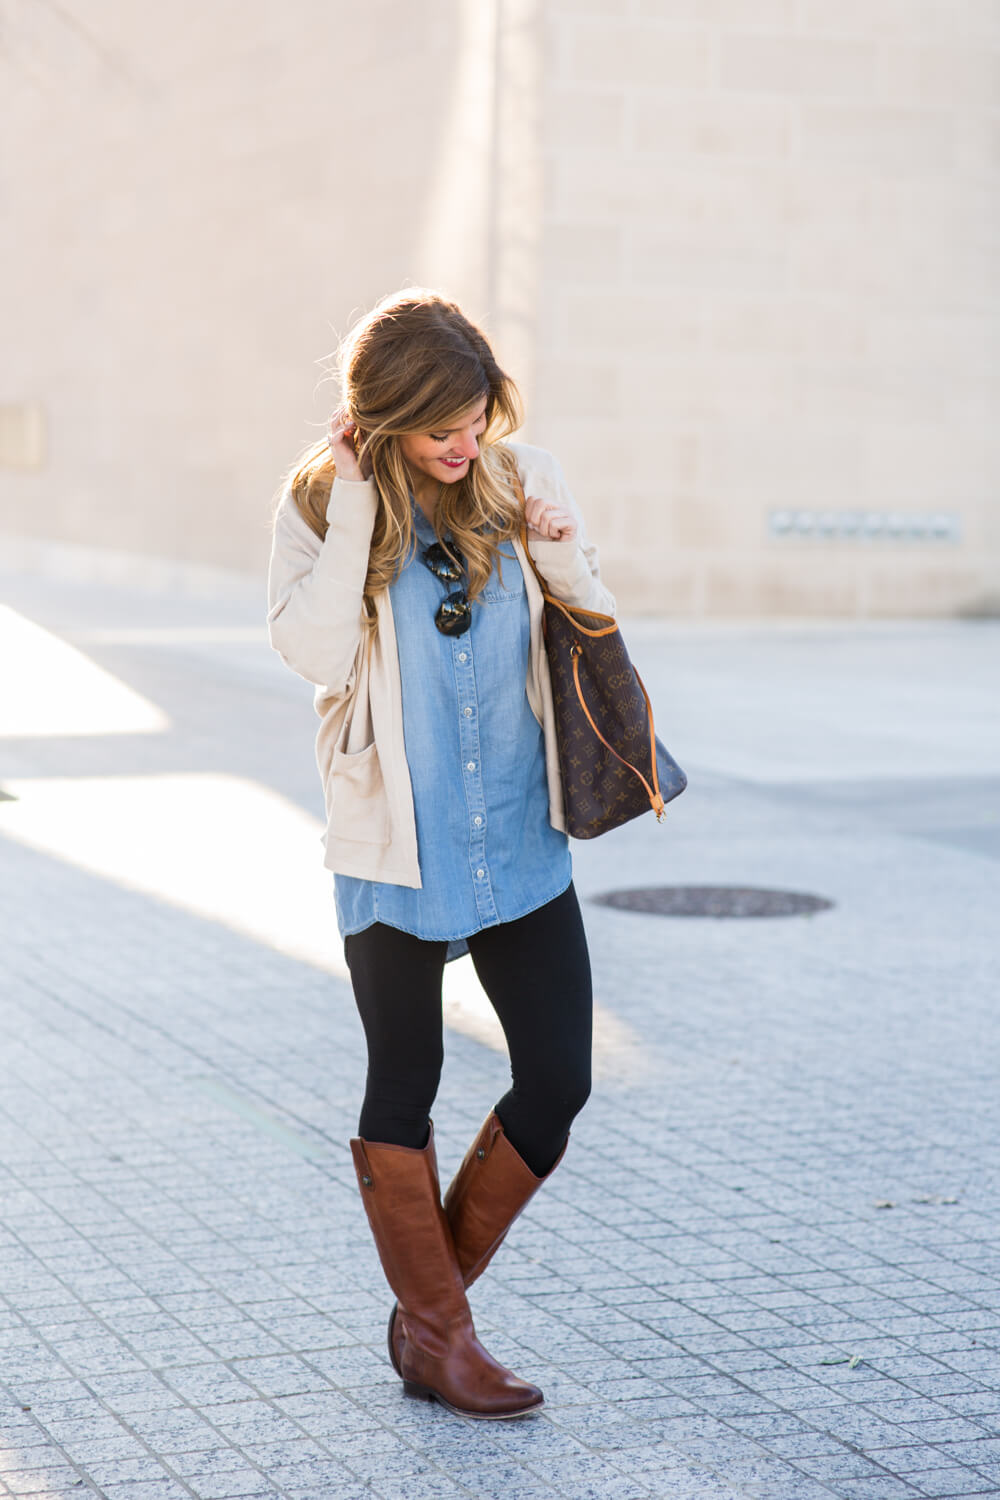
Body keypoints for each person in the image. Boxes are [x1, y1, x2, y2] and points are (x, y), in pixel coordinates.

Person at [266, 288, 615, 1420]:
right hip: (396, 841)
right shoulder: (321, 498)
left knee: (559, 1077)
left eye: (475, 416)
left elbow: (596, 619)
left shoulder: (518, 478)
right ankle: (446, 1339)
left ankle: (429, 1320)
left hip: (516, 826)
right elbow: (316, 654)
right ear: (380, 421)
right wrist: (367, 502)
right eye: (438, 429)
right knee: (401, 1082)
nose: (464, 445)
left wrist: (561, 558)